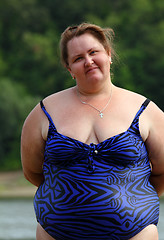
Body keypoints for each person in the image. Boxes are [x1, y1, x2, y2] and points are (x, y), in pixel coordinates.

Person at [21, 23, 164, 240]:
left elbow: (162, 172)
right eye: (78, 58)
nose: (88, 61)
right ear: (70, 69)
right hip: (57, 234)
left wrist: (133, 200)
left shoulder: (146, 110)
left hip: (136, 234)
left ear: (108, 55)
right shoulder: (43, 112)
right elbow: (33, 172)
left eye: (93, 52)